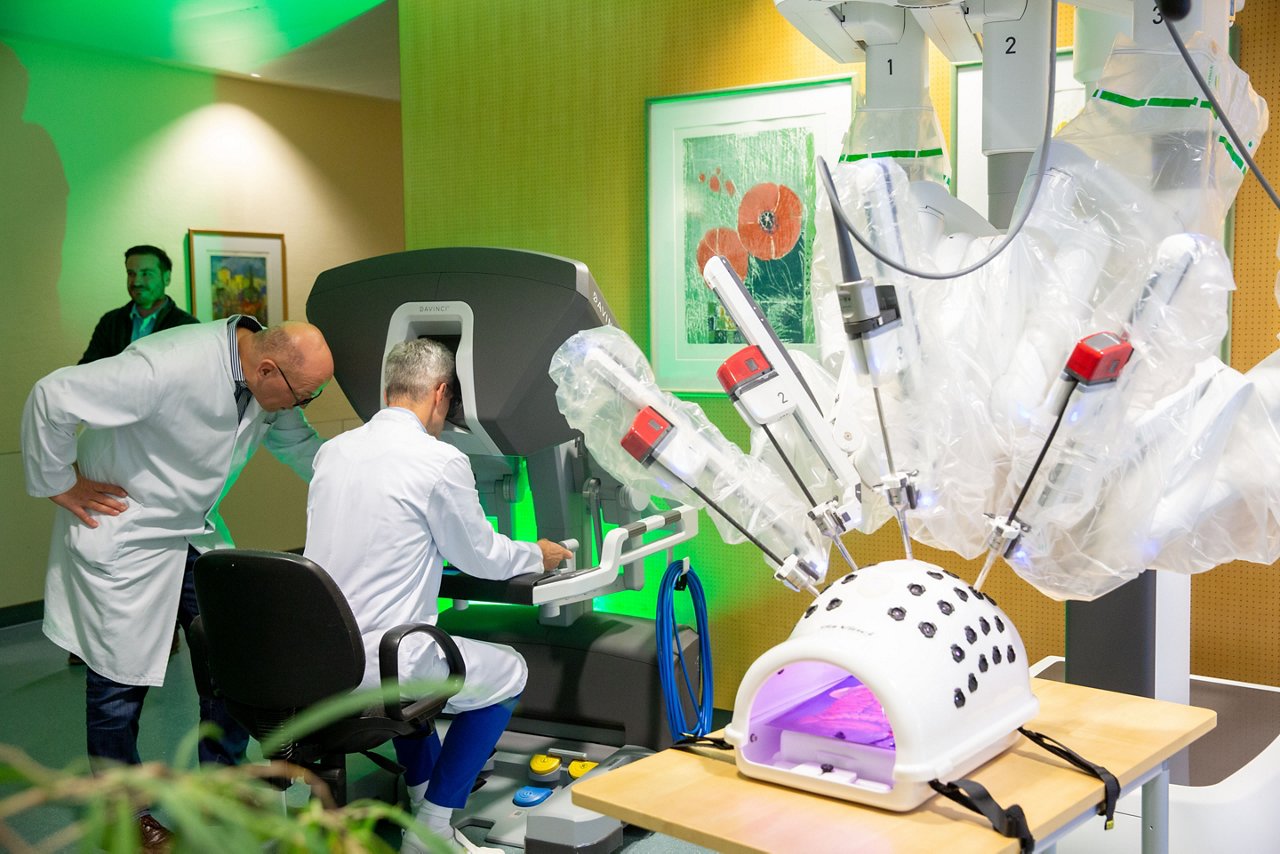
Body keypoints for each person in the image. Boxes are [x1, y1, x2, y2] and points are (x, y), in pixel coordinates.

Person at [21, 316, 333, 851]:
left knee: (231, 656)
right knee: (118, 684)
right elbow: (52, 396)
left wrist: (370, 472)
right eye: (303, 396)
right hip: (129, 529)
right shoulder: (164, 365)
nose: (301, 406)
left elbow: (299, 443)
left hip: (190, 530)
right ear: (266, 369)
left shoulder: (265, 383)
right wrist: (60, 481)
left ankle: (223, 781)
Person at [303, 339, 572, 854]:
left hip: (320, 660)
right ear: (442, 393)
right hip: (388, 661)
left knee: (413, 674)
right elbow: (482, 558)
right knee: (509, 670)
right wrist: (538, 554)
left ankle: (424, 795)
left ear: (388, 390)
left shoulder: (331, 452)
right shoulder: (439, 461)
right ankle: (433, 825)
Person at [79, 245, 199, 365]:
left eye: (146, 274)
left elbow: (192, 375)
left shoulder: (186, 326)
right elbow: (88, 368)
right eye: (131, 274)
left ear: (167, 278)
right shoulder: (110, 322)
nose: (136, 282)